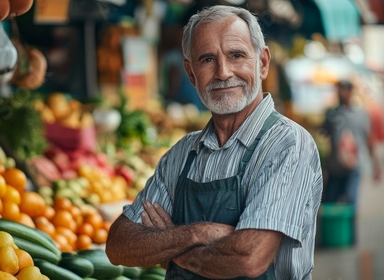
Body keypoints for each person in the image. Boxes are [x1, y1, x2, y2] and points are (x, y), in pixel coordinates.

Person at [105, 5, 323, 279]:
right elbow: (118, 245)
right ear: (191, 73)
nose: (223, 72)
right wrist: (198, 233)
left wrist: (169, 247)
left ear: (263, 62)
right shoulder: (182, 154)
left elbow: (248, 258)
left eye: (236, 55)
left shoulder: (288, 144)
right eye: (207, 59)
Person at [321, 80, 381, 243]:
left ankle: (350, 237)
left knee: (351, 201)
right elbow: (323, 136)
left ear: (350, 91)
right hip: (334, 167)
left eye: (342, 90)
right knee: (330, 202)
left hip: (355, 167)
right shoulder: (332, 114)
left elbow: (370, 139)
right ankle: (330, 237)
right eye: (338, 90)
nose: (340, 93)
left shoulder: (361, 114)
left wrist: (376, 165)